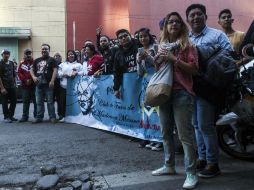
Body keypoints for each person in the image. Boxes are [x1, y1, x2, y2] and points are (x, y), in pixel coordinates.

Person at [151, 12, 199, 189]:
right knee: (165, 133)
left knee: (185, 135)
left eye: (177, 22)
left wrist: (174, 59)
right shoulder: (162, 46)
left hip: (182, 93)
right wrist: (154, 60)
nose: (174, 24)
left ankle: (191, 173)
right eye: (170, 22)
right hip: (164, 93)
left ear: (182, 26)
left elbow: (194, 70)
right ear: (166, 26)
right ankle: (169, 165)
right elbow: (159, 69)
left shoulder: (188, 45)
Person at [186, 3, 233, 178]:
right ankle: (203, 158)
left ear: (205, 17)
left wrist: (202, 51)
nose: (196, 17)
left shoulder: (217, 35)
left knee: (206, 126)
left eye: (199, 14)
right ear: (188, 19)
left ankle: (214, 164)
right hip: (191, 87)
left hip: (209, 86)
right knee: (196, 125)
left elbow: (228, 55)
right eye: (192, 15)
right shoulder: (186, 38)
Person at [135, 27, 162, 150]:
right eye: (140, 36)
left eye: (145, 36)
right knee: (146, 111)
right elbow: (139, 73)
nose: (142, 38)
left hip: (156, 79)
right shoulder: (138, 52)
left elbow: (159, 65)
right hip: (145, 81)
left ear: (149, 36)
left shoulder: (155, 48)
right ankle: (150, 137)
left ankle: (160, 139)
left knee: (157, 110)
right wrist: (140, 61)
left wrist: (149, 57)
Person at [30, 44, 58, 123]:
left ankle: (52, 117)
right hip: (38, 84)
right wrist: (34, 77)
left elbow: (55, 70)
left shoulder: (52, 60)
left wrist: (52, 81)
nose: (44, 50)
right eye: (43, 49)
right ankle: (39, 117)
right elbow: (31, 70)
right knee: (39, 102)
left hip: (48, 84)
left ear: (49, 50)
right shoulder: (37, 60)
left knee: (50, 102)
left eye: (46, 49)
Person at [58, 50, 83, 122]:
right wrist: (64, 74)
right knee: (62, 101)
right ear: (67, 56)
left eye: (72, 54)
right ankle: (62, 116)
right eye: (69, 55)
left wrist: (76, 73)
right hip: (64, 86)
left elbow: (83, 72)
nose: (70, 56)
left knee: (74, 101)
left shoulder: (79, 65)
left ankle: (74, 116)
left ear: (75, 55)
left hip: (75, 87)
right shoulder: (63, 64)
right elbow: (58, 73)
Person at [113, 29, 138, 99]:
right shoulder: (118, 54)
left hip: (143, 81)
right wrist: (116, 88)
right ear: (118, 40)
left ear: (130, 36)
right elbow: (117, 71)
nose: (123, 38)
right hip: (129, 85)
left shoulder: (139, 45)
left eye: (125, 36)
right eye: (120, 38)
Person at [18, 49, 37, 122]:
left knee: (36, 102)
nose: (28, 55)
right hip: (25, 86)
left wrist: (31, 80)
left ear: (31, 54)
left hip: (34, 86)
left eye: (29, 53)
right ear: (24, 55)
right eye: (26, 53)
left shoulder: (35, 62)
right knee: (25, 102)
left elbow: (37, 72)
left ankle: (36, 116)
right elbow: (19, 73)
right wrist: (25, 80)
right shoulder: (21, 64)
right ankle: (25, 116)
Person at [0, 49, 17, 122]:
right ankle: (6, 117)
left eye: (8, 53)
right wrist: (2, 88)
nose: (6, 55)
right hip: (4, 86)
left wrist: (15, 84)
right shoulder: (0, 64)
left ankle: (11, 115)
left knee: (14, 101)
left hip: (12, 86)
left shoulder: (11, 63)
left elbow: (14, 75)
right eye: (5, 54)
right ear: (2, 55)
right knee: (4, 102)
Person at [53, 52, 63, 120]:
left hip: (60, 85)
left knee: (60, 101)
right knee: (51, 101)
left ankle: (60, 114)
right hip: (53, 85)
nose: (56, 57)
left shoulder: (63, 64)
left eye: (58, 56)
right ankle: (52, 115)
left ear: (60, 58)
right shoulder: (52, 64)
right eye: (55, 56)